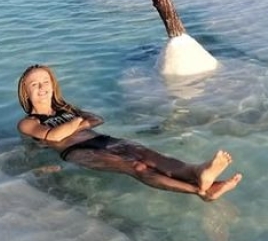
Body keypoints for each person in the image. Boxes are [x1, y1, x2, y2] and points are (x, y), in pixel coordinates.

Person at [16, 64, 242, 201]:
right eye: (34, 84)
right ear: (26, 93)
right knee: (136, 166)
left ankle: (198, 171)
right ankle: (199, 191)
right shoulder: (28, 122)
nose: (42, 87)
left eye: (45, 81)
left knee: (150, 156)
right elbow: (55, 137)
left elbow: (97, 119)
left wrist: (74, 125)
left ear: (53, 85)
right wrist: (77, 121)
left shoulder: (67, 109)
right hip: (78, 152)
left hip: (103, 140)